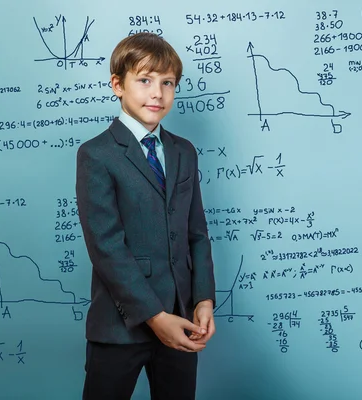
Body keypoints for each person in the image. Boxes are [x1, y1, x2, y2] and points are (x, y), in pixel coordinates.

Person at [75, 32, 216, 400]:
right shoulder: (97, 154)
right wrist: (155, 317)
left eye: (167, 83)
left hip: (181, 316)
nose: (157, 93)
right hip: (121, 324)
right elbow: (106, 247)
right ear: (117, 85)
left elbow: (196, 233)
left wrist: (203, 299)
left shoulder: (183, 151)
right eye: (145, 80)